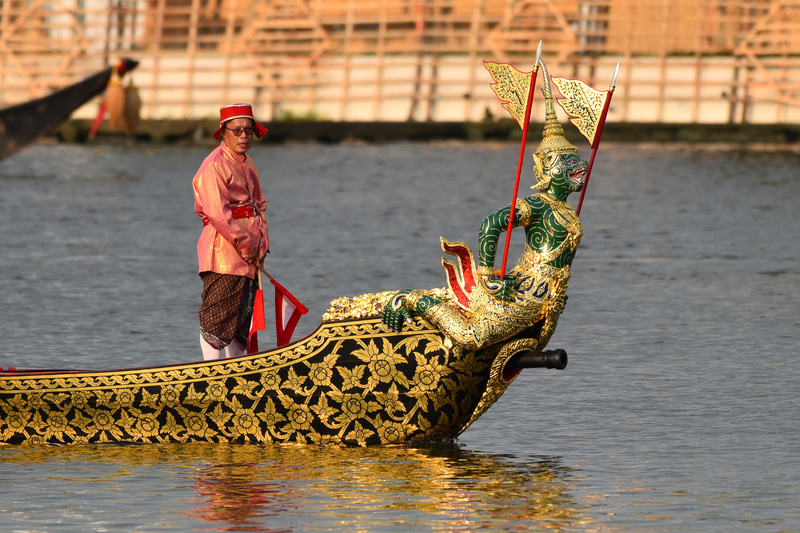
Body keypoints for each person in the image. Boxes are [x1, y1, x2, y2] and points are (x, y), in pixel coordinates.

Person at [382, 68, 587, 352]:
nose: (581, 165)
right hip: (525, 292)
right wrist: (488, 275)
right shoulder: (537, 204)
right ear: (549, 169)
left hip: (548, 296)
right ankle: (413, 299)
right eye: (569, 160)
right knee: (471, 337)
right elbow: (491, 224)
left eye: (576, 158)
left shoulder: (566, 210)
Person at [193, 103, 270, 360]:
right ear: (223, 132)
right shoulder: (213, 167)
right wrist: (248, 246)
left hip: (249, 253)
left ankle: (238, 371)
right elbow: (218, 215)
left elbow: (259, 207)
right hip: (223, 253)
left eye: (248, 130)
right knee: (217, 318)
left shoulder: (248, 164)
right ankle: (212, 375)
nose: (243, 136)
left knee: (241, 322)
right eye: (236, 130)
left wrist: (261, 246)